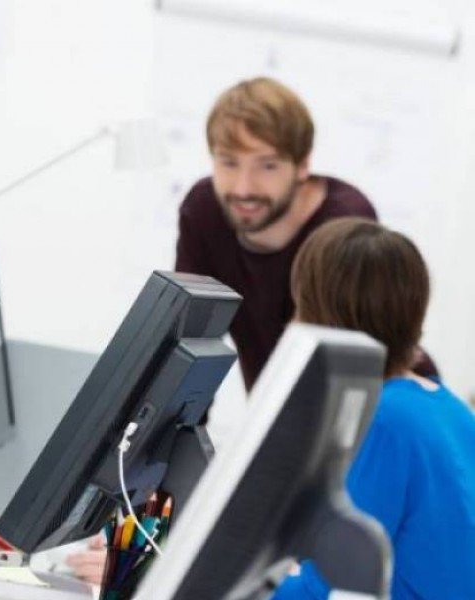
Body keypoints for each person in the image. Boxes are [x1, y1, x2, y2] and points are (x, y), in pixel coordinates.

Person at [270, 218, 475, 599]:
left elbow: (329, 588)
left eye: (300, 307)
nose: (292, 324)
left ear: (325, 320)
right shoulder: (447, 406)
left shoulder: (382, 421)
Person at [174, 76, 386, 391]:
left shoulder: (344, 224)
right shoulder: (204, 210)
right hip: (281, 407)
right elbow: (186, 346)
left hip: (374, 405)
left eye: (268, 166)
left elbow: (333, 370)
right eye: (229, 163)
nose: (243, 188)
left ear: (303, 165)